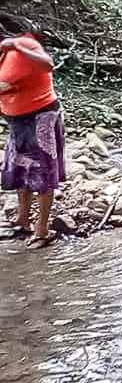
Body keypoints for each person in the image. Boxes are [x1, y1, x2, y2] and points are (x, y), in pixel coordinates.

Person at [0, 33, 65, 248]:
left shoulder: (24, 44)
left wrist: (18, 45)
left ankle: (42, 229)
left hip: (41, 116)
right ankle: (23, 221)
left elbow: (48, 65)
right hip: (17, 121)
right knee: (21, 170)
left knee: (41, 173)